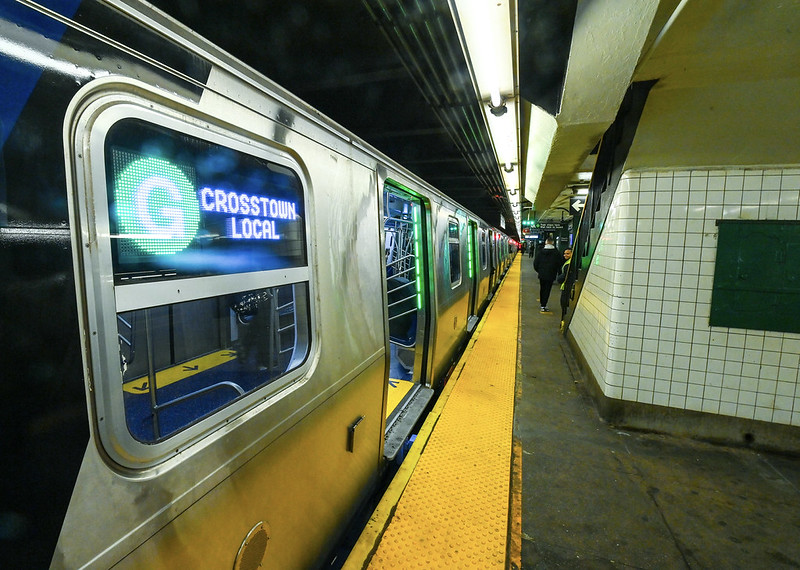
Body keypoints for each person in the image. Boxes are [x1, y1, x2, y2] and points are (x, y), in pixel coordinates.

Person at [533, 237, 562, 313]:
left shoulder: (540, 252)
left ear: (546, 243)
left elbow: (535, 263)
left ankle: (542, 304)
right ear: (552, 243)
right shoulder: (557, 253)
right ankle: (544, 305)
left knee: (542, 289)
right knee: (547, 290)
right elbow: (559, 264)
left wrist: (539, 271)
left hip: (542, 275)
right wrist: (558, 274)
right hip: (551, 275)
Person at [556, 248, 575, 326]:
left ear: (572, 254)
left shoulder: (569, 264)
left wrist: (559, 279)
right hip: (566, 286)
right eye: (564, 253)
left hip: (567, 287)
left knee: (564, 305)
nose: (565, 255)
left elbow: (564, 276)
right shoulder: (570, 262)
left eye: (567, 253)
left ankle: (563, 322)